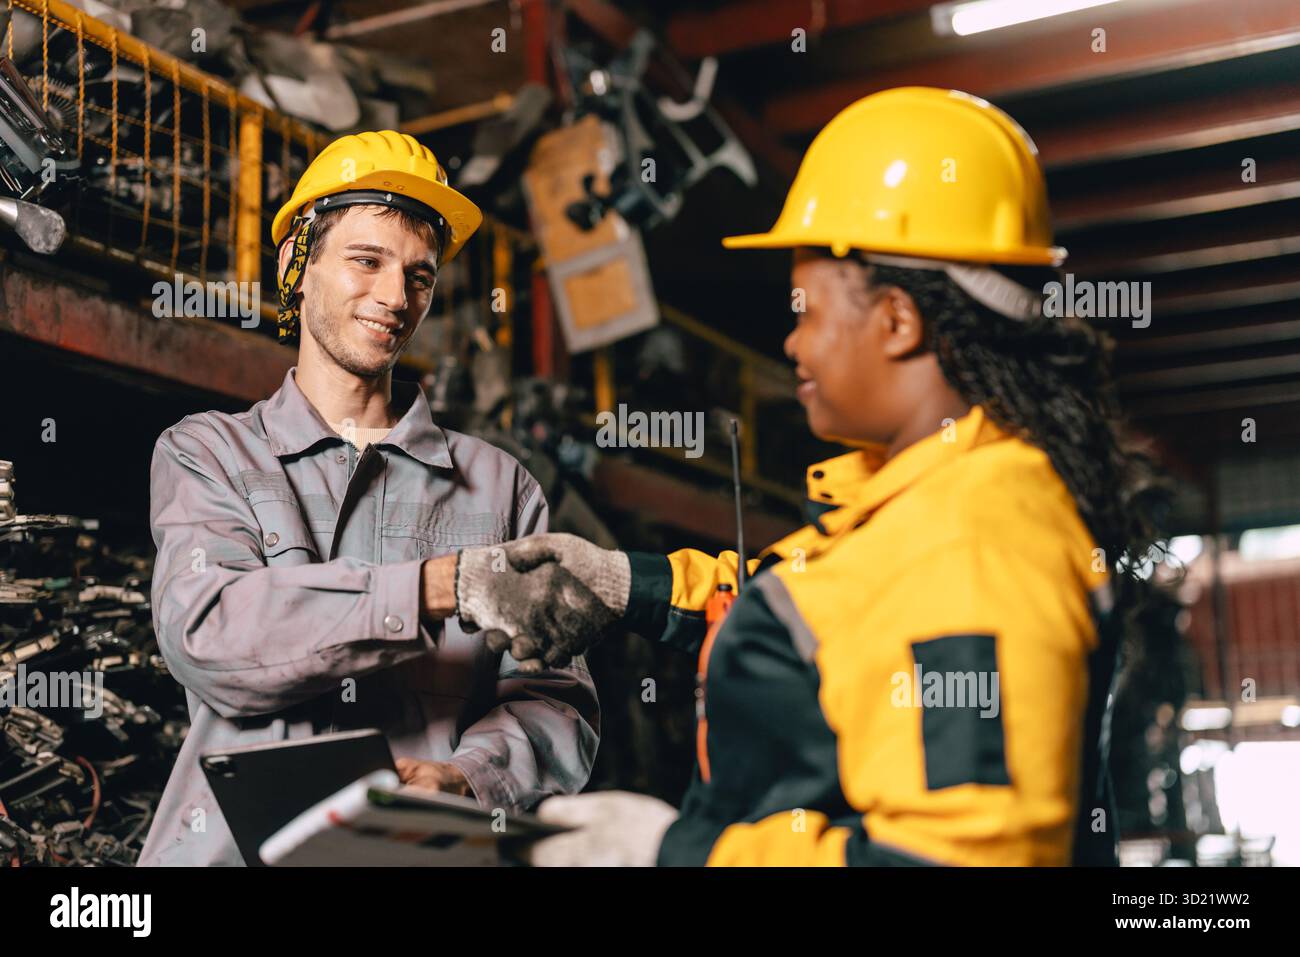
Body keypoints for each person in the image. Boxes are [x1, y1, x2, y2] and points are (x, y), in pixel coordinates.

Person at [420, 87, 1164, 866]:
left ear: (898, 321)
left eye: (806, 311)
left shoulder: (972, 529)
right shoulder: (924, 500)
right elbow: (824, 616)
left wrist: (677, 853)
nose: (791, 344)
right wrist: (617, 582)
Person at [138, 131, 600, 866]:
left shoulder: (503, 488)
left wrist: (467, 776)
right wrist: (431, 588)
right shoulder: (210, 454)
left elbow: (555, 703)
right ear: (296, 261)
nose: (395, 297)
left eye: (420, 275)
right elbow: (209, 632)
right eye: (366, 260)